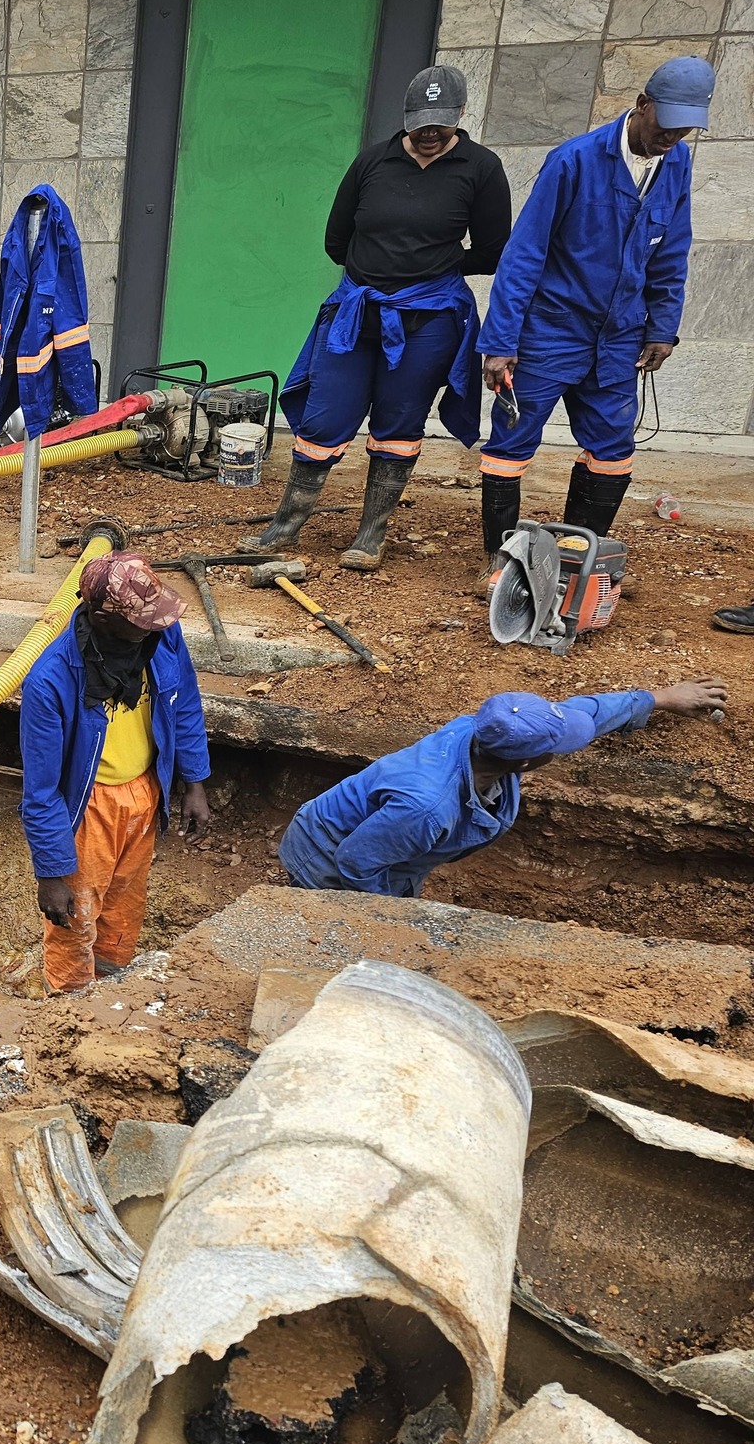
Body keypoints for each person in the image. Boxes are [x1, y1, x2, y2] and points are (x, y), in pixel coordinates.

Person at [252, 65, 510, 571]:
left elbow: (493, 250)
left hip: (429, 319)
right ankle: (286, 523)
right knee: (325, 414)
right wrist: (377, 271)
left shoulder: (480, 168)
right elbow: (336, 240)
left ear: (460, 114)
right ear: (406, 116)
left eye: (440, 121)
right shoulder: (373, 161)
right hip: (357, 311)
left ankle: (371, 535)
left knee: (398, 421)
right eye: (421, 122)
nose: (430, 132)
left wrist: (432, 265)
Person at [477, 56, 712, 562]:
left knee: (612, 448)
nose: (673, 137)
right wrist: (500, 342)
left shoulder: (677, 164)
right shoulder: (574, 161)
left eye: (686, 129)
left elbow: (672, 249)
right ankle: (499, 563)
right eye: (666, 124)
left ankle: (573, 561)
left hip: (621, 335)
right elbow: (524, 254)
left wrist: (663, 327)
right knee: (511, 443)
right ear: (642, 104)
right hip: (551, 330)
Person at [280, 680, 727, 898]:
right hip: (326, 856)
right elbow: (356, 864)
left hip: (379, 846)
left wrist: (659, 699)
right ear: (526, 762)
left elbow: (581, 712)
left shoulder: (490, 730)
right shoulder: (427, 808)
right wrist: (390, 921)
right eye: (560, 747)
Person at [19, 551, 212, 994]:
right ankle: (69, 1013)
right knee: (76, 918)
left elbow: (183, 705)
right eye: (143, 621)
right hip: (91, 808)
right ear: (104, 620)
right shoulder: (50, 681)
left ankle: (108, 995)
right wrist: (51, 873)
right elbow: (43, 790)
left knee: (124, 908)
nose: (157, 625)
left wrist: (194, 783)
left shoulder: (161, 633)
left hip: (146, 791)